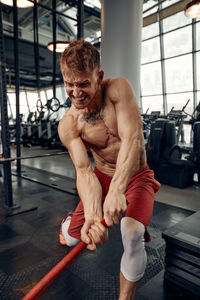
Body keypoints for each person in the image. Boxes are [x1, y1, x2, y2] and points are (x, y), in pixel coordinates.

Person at [58, 39, 160, 300]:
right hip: (101, 177)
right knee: (73, 239)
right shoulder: (70, 124)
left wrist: (118, 189)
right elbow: (84, 171)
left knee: (133, 233)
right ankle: (69, 224)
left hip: (136, 175)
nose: (75, 92)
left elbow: (133, 138)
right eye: (69, 84)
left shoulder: (118, 89)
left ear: (99, 76)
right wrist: (93, 215)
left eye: (83, 84)